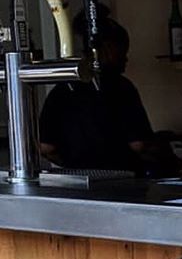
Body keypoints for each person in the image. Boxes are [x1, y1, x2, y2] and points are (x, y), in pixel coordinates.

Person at [39, 10, 157, 174]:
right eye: (122, 51)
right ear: (108, 48)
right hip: (122, 181)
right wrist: (174, 162)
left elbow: (46, 148)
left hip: (76, 186)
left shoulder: (61, 91)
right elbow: (139, 145)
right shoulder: (121, 88)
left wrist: (75, 168)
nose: (125, 58)